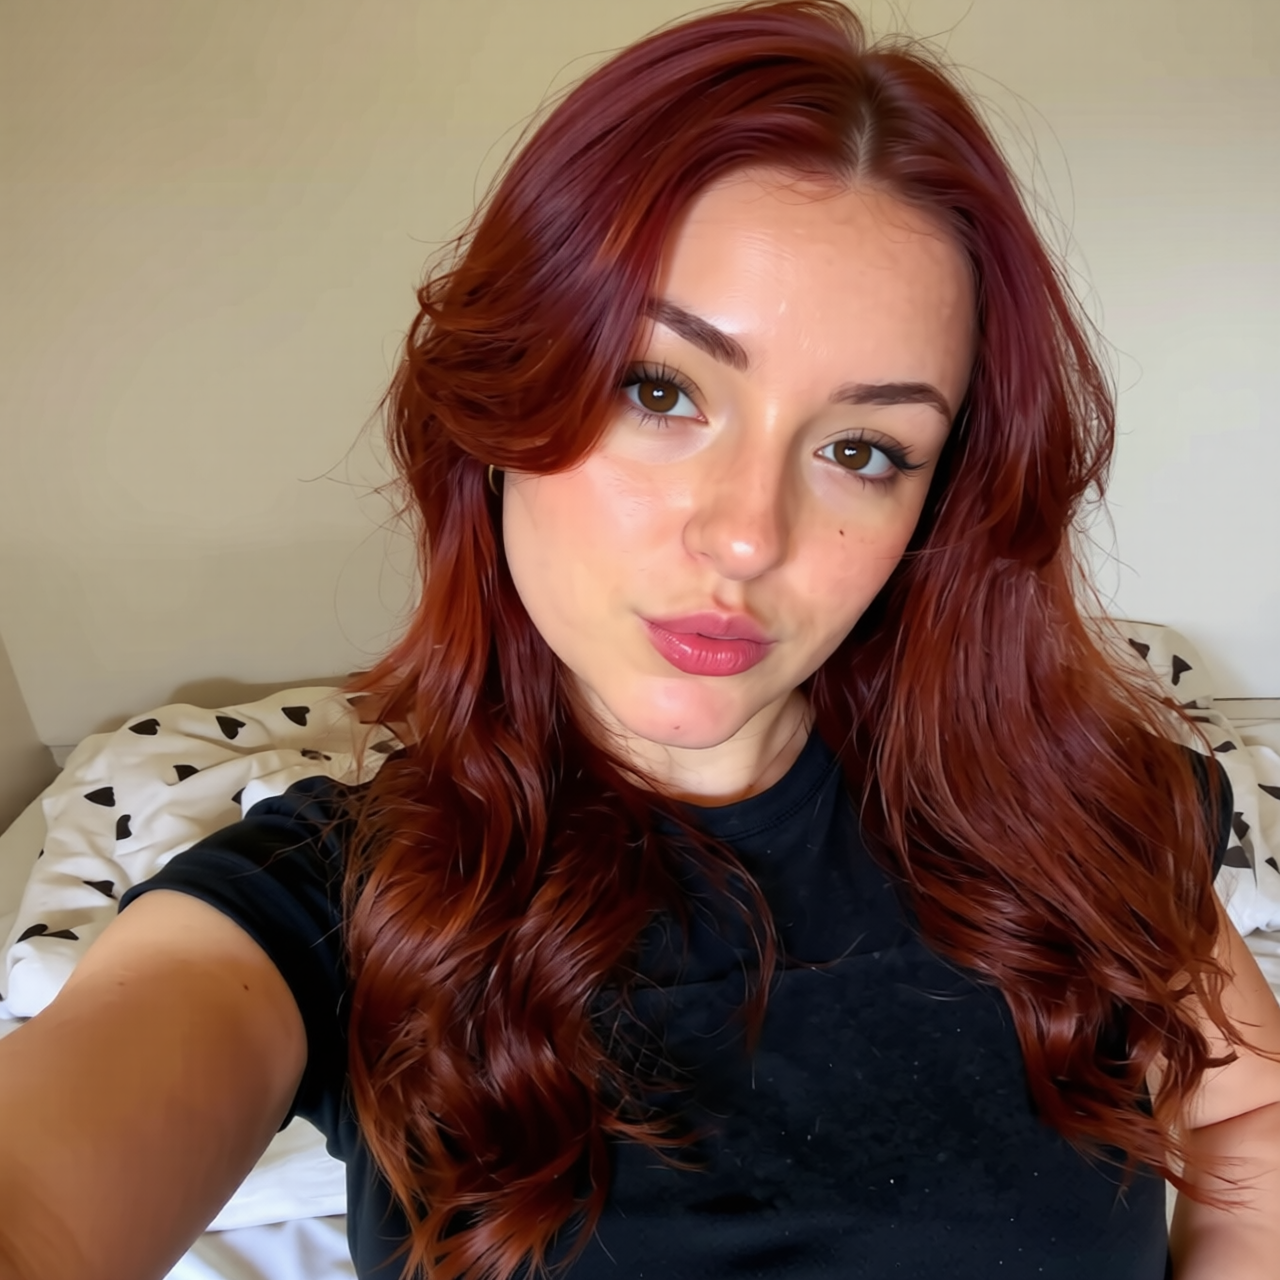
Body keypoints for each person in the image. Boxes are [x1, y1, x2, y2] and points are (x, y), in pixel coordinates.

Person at [2, 2, 1279, 1277]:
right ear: (504, 401)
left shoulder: (1072, 815)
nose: (745, 536)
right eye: (658, 389)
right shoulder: (331, 908)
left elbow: (1252, 1121)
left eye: (860, 449)